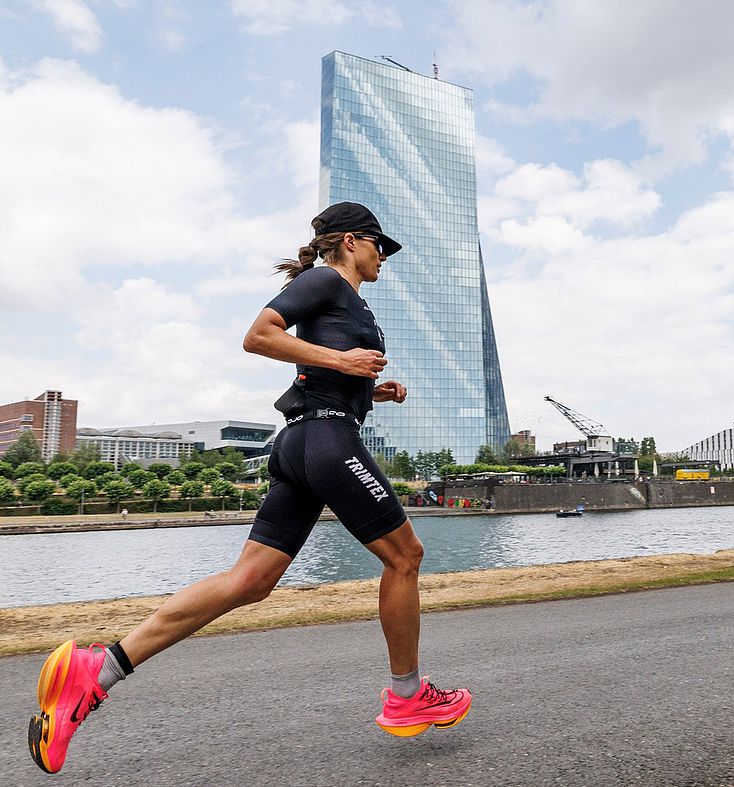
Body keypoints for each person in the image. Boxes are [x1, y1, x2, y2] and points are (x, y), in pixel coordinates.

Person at [28, 202, 472, 774]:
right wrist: (343, 360)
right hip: (325, 442)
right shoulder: (324, 281)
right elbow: (258, 335)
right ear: (349, 241)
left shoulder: (343, 298)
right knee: (405, 556)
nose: (384, 256)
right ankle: (408, 695)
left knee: (250, 581)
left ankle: (97, 672)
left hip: (304, 443)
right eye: (378, 245)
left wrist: (369, 388)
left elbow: (317, 367)